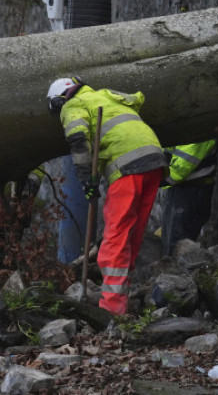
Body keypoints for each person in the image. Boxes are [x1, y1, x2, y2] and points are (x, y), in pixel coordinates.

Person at [47, 76, 166, 315]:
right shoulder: (105, 96)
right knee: (132, 235)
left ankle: (111, 309)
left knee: (116, 237)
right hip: (154, 161)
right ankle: (123, 294)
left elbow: (79, 142)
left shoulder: (73, 106)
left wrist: (86, 182)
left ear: (59, 101)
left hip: (127, 167)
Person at [161, 139, 218, 255]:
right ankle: (173, 270)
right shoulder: (187, 130)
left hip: (192, 189)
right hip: (182, 188)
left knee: (178, 242)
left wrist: (155, 178)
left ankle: (178, 271)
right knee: (171, 240)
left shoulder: (199, 132)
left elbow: (180, 170)